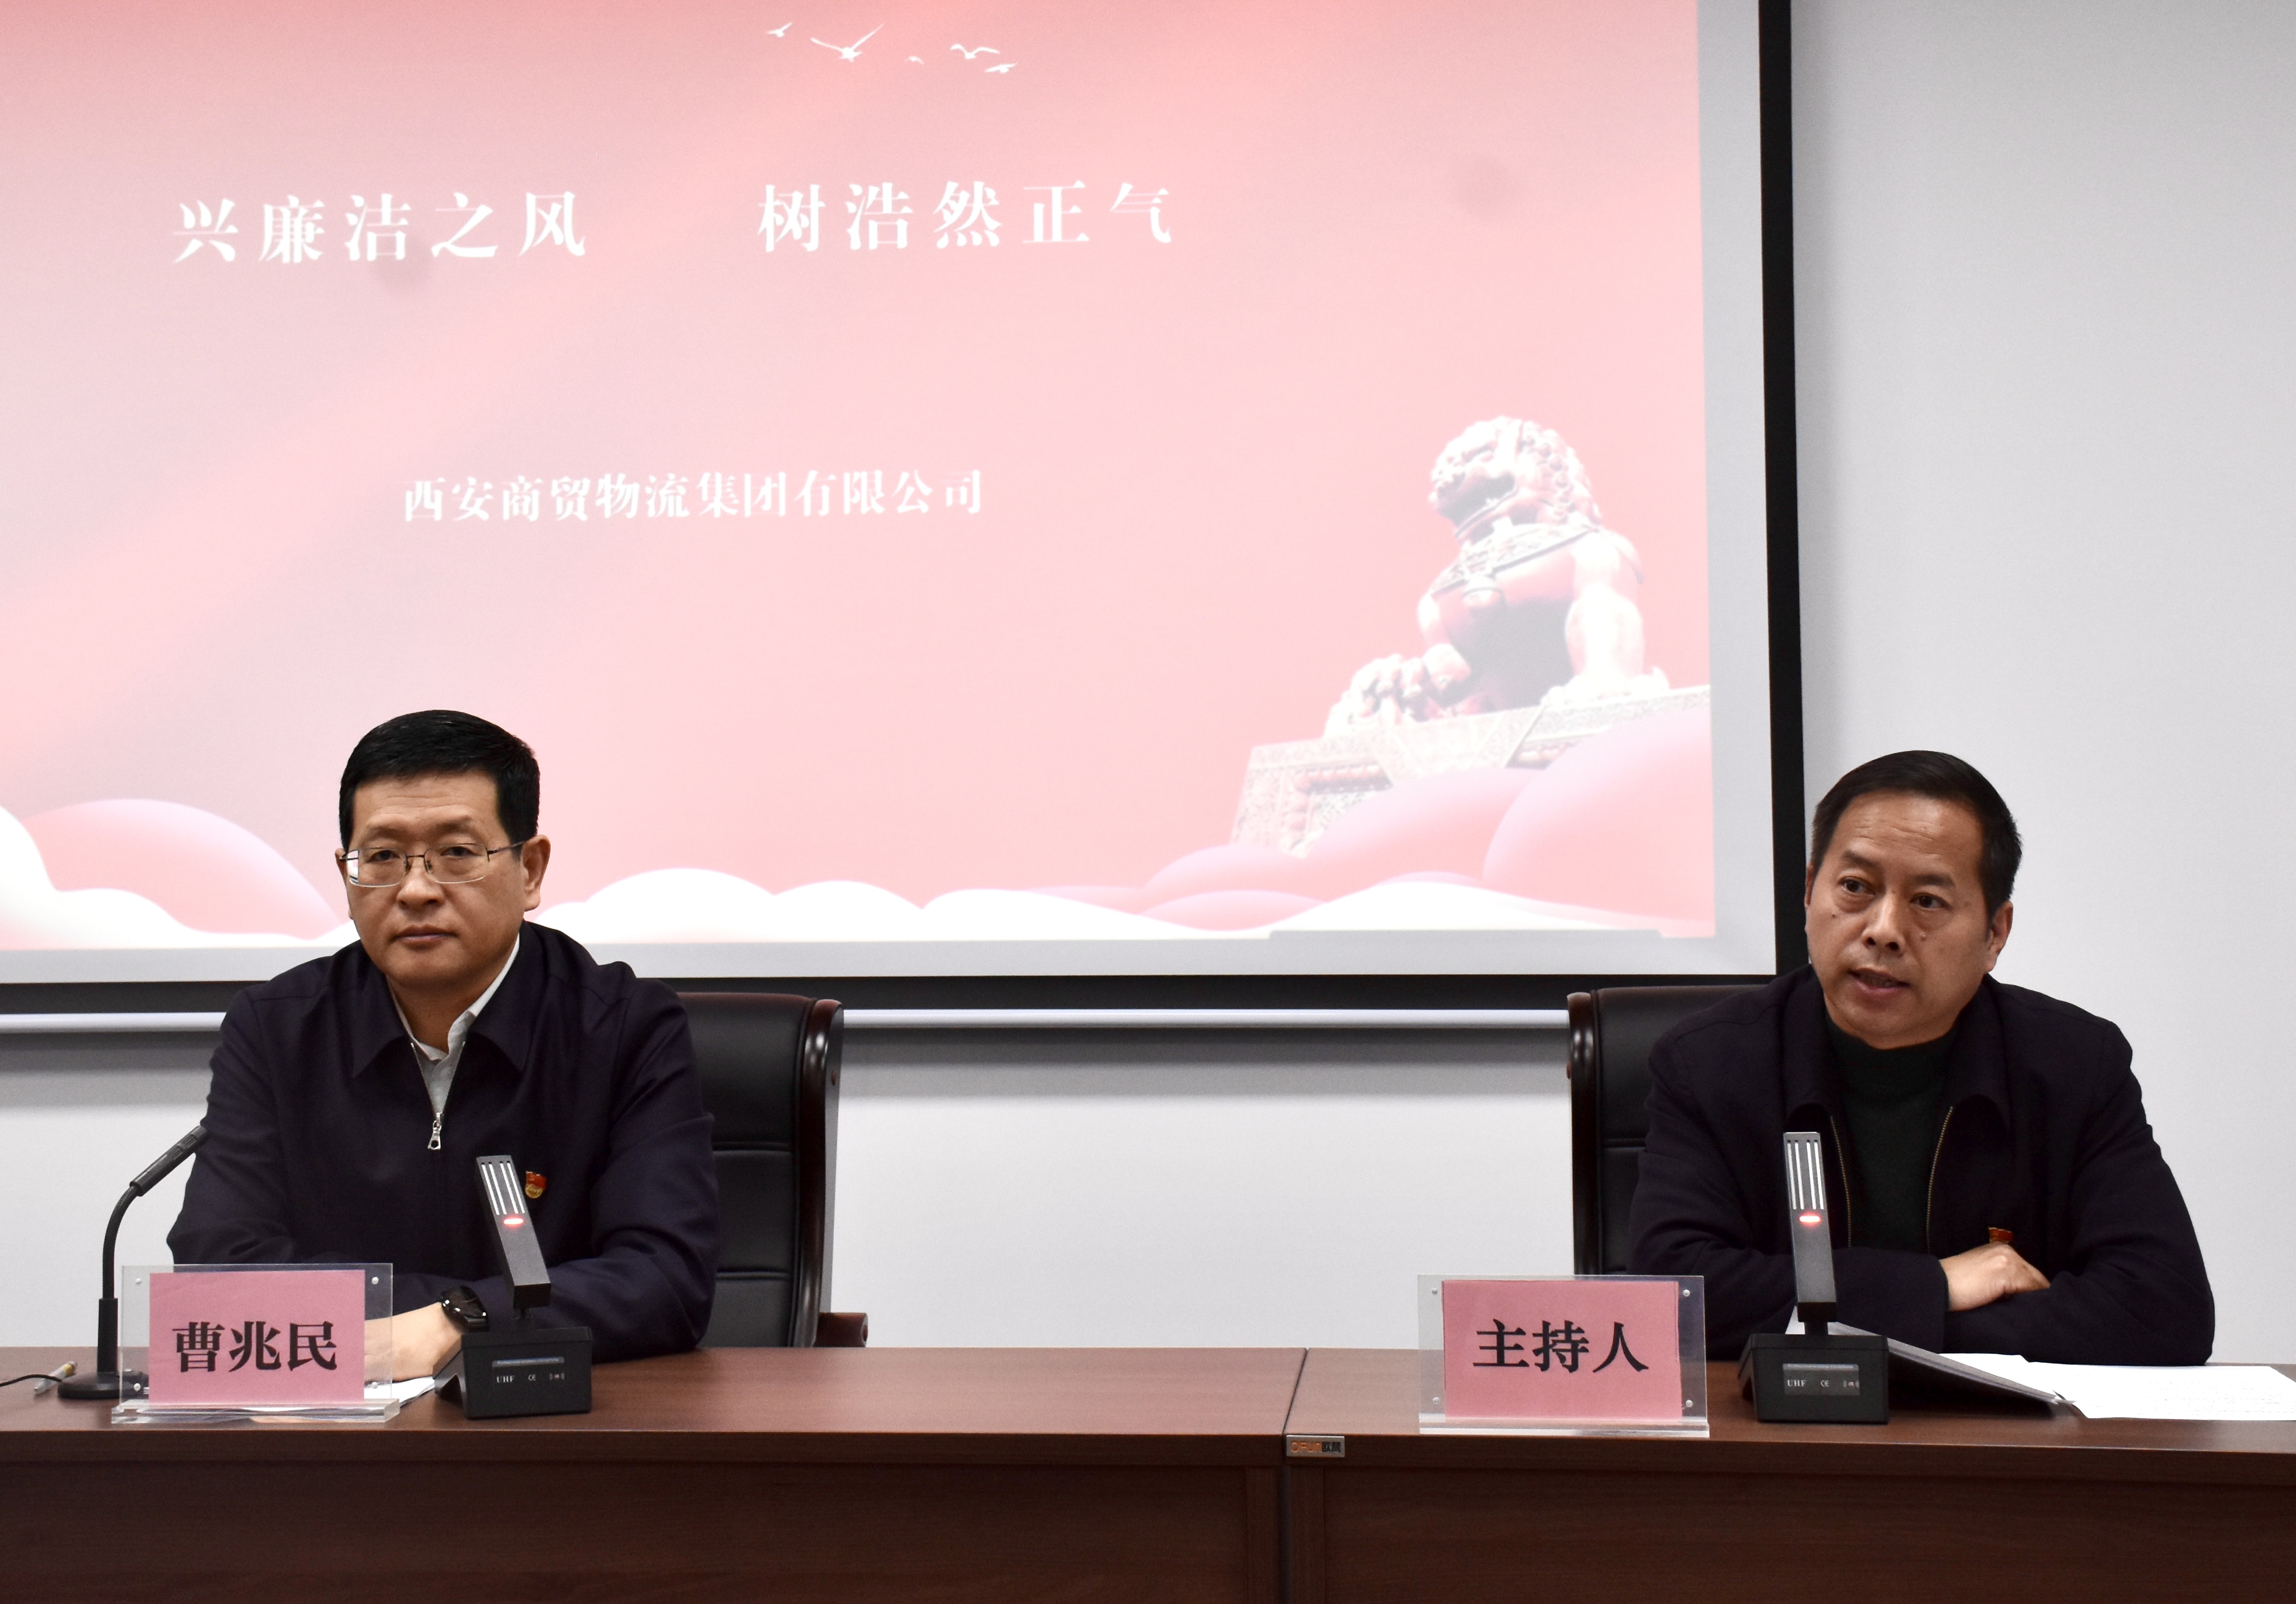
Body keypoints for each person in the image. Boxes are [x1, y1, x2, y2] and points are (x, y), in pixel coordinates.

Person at [170, 710, 717, 1376]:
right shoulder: (277, 1029)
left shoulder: (623, 1027)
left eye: (457, 853)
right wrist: (446, 1319)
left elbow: (663, 1278)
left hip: (551, 1415)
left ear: (530, 870)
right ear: (346, 875)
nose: (416, 890)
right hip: (337, 1419)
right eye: (382, 857)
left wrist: (457, 1319)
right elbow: (220, 1268)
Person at [1629, 751, 2212, 1363]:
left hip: (1994, 1428)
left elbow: (2164, 1308)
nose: (1883, 930)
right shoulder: (1709, 1064)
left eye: (1927, 901)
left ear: (1994, 934)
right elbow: (1670, 1298)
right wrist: (1935, 1288)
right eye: (1855, 887)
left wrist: (1881, 1329)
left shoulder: (2073, 1067)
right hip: (1784, 1422)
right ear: (1807, 892)